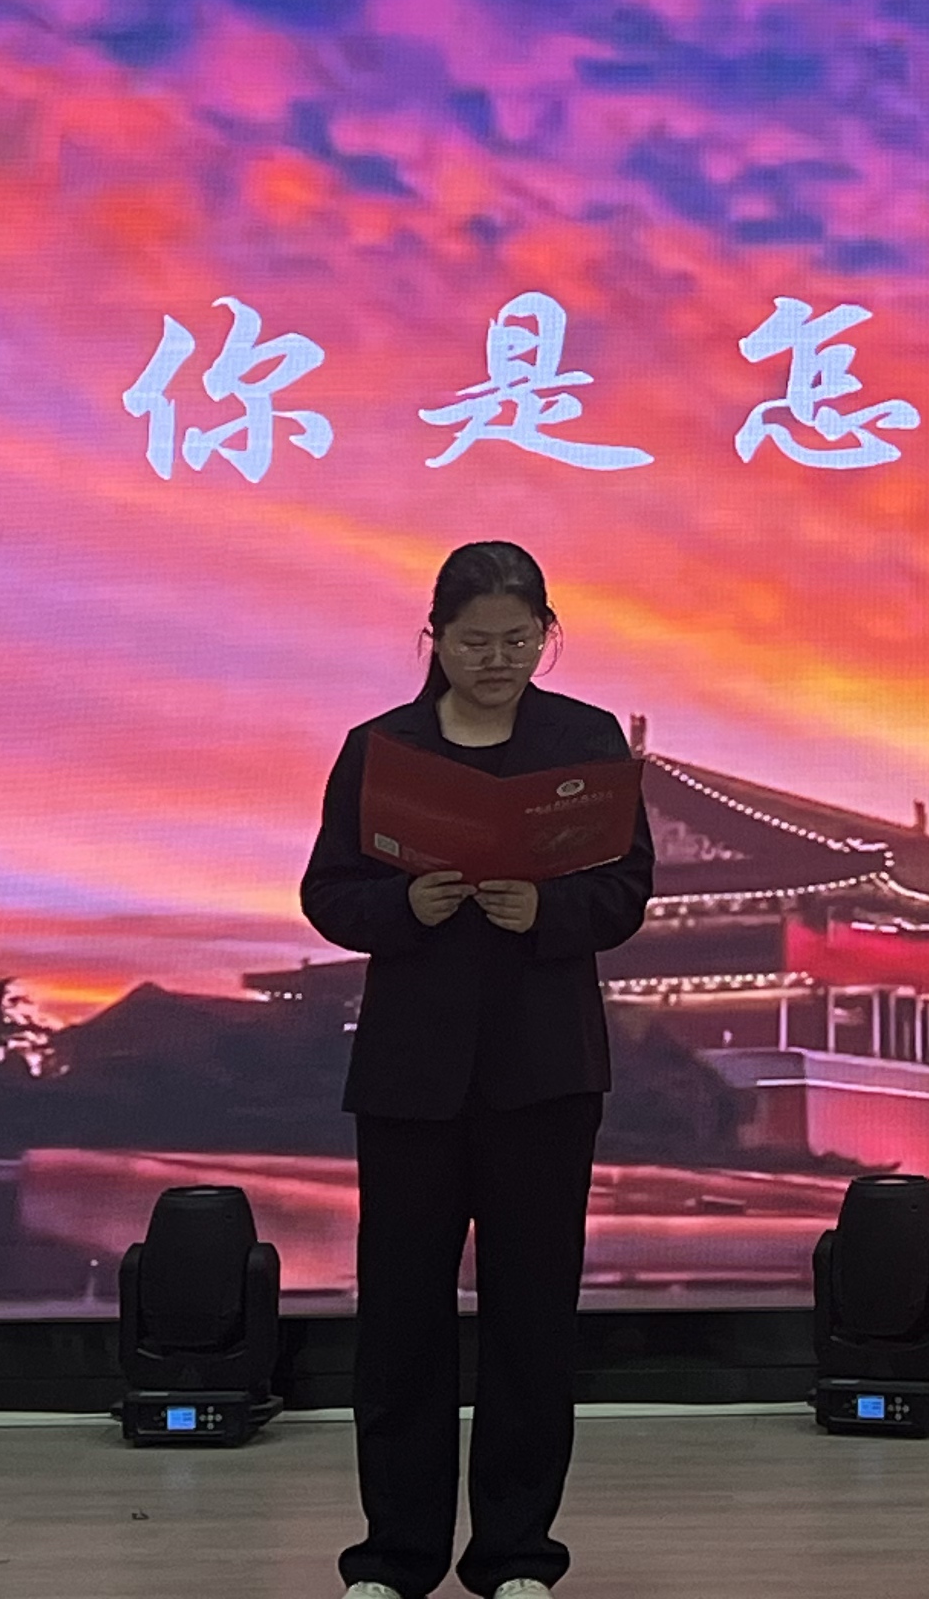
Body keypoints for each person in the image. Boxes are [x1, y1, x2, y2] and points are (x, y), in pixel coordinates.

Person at [302, 540, 656, 1599]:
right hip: (411, 1074)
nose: (498, 660)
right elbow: (328, 894)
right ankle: (394, 1556)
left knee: (531, 1320)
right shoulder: (382, 749)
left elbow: (627, 890)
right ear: (435, 639)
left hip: (544, 1070)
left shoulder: (583, 740)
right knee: (399, 1322)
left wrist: (545, 908)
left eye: (518, 640)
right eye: (474, 642)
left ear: (546, 634)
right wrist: (403, 906)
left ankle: (516, 1555)